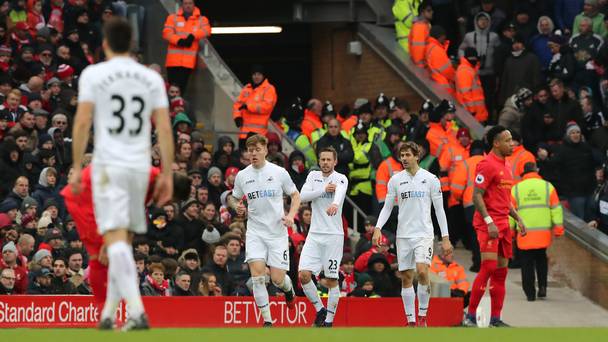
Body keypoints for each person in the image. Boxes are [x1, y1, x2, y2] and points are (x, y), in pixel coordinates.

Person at [70, 18, 175, 331]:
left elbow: (82, 121)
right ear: (132, 45)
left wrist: (77, 166)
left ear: (104, 43)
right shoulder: (150, 78)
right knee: (122, 244)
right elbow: (165, 127)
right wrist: (166, 173)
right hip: (140, 167)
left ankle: (139, 311)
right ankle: (109, 316)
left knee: (114, 239)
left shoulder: (94, 74)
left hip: (108, 166)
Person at [372, 142, 453, 327]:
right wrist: (377, 228)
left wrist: (446, 238)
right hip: (403, 235)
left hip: (423, 234)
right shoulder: (395, 180)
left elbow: (440, 210)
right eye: (402, 155)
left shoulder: (431, 179)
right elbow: (387, 207)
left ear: (417, 156)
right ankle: (411, 320)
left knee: (423, 271)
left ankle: (423, 316)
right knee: (407, 276)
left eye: (408, 155)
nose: (404, 159)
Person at [231, 134, 301, 327]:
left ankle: (289, 291)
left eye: (257, 150)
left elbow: (295, 196)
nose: (253, 154)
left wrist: (291, 216)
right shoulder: (243, 175)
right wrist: (237, 206)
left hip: (277, 232)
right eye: (250, 150)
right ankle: (268, 321)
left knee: (278, 279)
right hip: (255, 232)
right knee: (258, 276)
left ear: (265, 149)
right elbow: (234, 197)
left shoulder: (279, 172)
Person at [463, 125, 527, 328]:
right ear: (496, 143)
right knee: (488, 267)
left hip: (504, 224)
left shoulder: (507, 166)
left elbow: (504, 199)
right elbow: (476, 195)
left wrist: (517, 218)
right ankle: (471, 316)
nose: (512, 144)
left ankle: (495, 319)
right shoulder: (486, 164)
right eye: (508, 140)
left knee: (501, 273)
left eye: (512, 140)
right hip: (488, 224)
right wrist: (489, 221)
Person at [298, 146, 348, 328]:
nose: (325, 162)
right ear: (319, 161)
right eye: (323, 159)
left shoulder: (340, 178)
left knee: (331, 280)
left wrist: (335, 203)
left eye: (329, 159)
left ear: (335, 162)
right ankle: (320, 310)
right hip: (314, 235)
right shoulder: (313, 177)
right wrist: (323, 190)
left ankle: (328, 322)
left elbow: (340, 192)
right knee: (303, 275)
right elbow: (302, 196)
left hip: (333, 236)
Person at [510, 163, 564, 301]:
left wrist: (510, 231)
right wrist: (558, 228)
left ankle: (530, 293)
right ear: (536, 171)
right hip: (543, 234)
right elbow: (556, 208)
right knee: (541, 260)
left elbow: (510, 212)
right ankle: (543, 287)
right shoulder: (548, 187)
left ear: (524, 174)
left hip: (524, 234)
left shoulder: (516, 189)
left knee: (526, 263)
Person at [162, 0, 211, 93]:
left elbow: (207, 30)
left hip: (187, 63)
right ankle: (171, 106)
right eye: (185, 3)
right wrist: (179, 41)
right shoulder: (172, 18)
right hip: (173, 61)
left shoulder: (202, 19)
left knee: (181, 89)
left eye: (190, 3)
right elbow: (166, 33)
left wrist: (193, 36)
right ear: (182, 5)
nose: (188, 6)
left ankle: (178, 105)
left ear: (194, 4)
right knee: (171, 89)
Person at [232, 65, 277, 149]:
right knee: (243, 158)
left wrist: (249, 106)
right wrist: (237, 117)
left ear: (263, 76)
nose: (256, 77)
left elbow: (266, 107)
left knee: (256, 159)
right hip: (244, 134)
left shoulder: (269, 89)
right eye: (254, 74)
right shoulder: (246, 88)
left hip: (258, 134)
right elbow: (237, 104)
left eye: (259, 74)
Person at [455, 48, 489, 124]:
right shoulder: (465, 71)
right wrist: (472, 110)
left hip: (477, 114)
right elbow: (466, 93)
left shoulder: (470, 69)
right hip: (473, 115)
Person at [425, 25, 455, 95]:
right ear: (440, 36)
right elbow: (446, 70)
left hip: (436, 79)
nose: (445, 37)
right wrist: (455, 78)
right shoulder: (437, 50)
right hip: (442, 84)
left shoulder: (430, 46)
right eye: (444, 35)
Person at [408, 1, 433, 68]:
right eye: (429, 10)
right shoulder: (419, 27)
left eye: (432, 10)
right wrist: (421, 66)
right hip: (421, 66)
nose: (432, 12)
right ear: (422, 12)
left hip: (425, 63)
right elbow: (418, 48)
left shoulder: (425, 25)